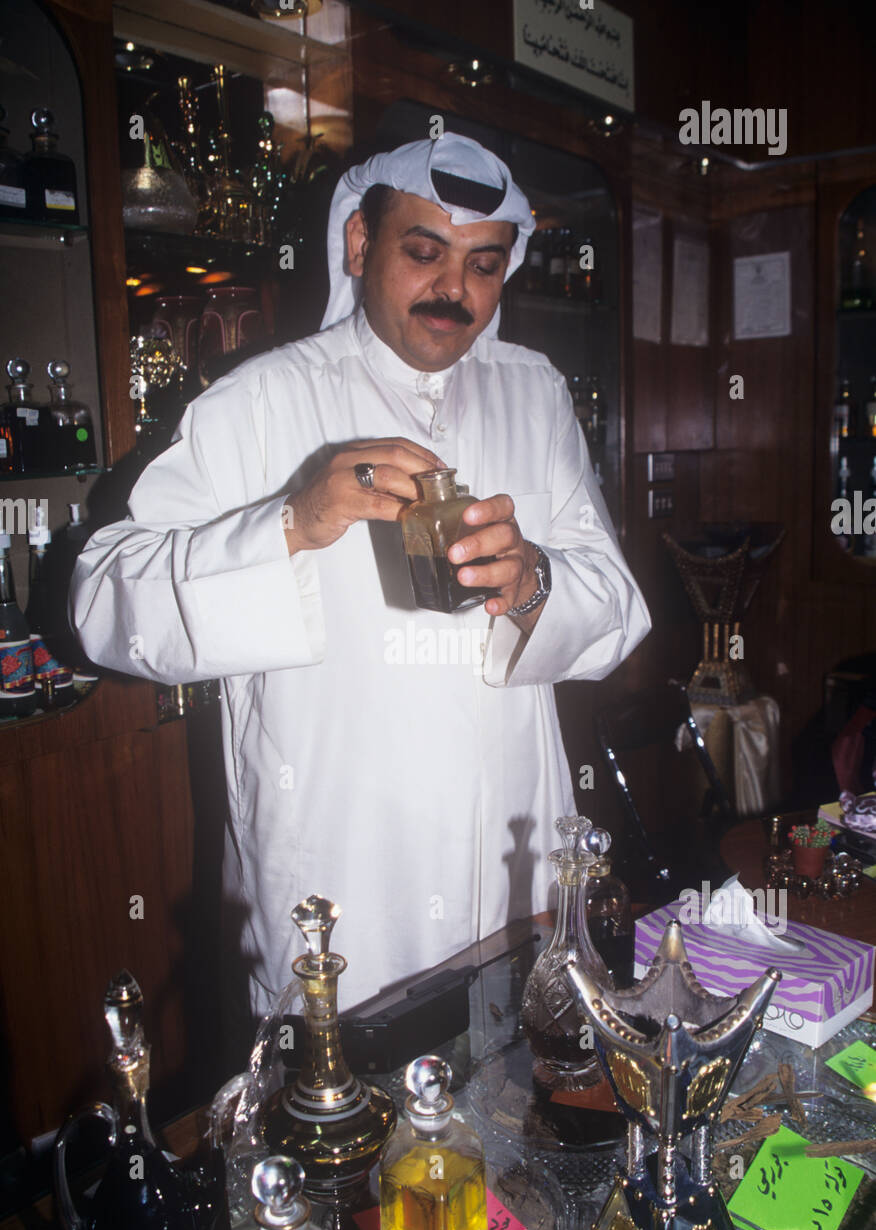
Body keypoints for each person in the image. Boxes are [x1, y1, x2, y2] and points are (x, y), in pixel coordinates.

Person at [71, 135, 650, 1037]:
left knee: (511, 1148)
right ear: (357, 245)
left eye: (483, 264)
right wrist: (293, 523)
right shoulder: (259, 402)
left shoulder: (533, 395)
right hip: (338, 886)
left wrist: (533, 581)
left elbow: (615, 604)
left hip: (508, 875)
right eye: (424, 253)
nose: (454, 290)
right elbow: (101, 598)